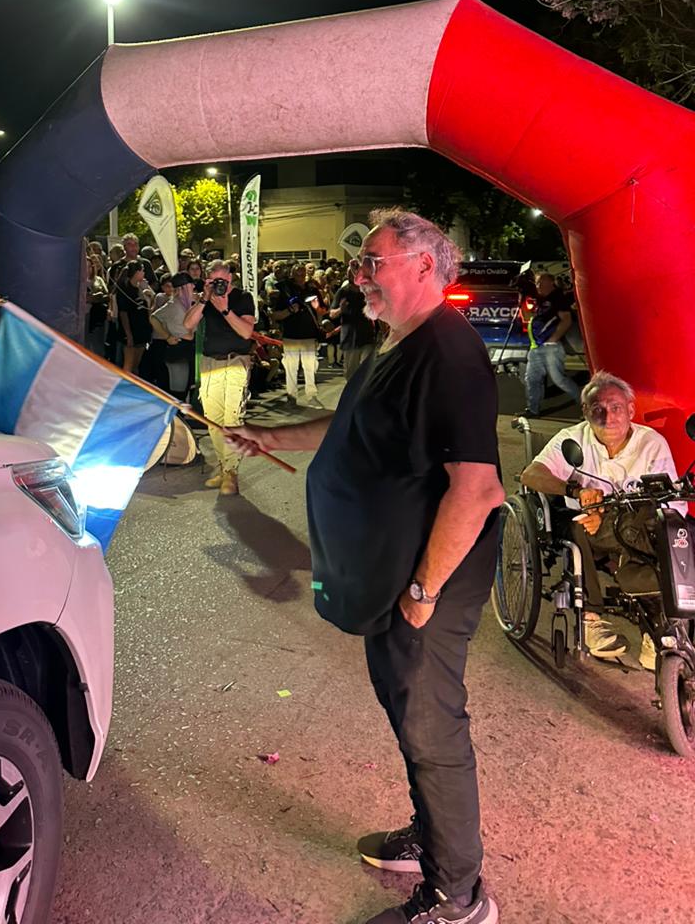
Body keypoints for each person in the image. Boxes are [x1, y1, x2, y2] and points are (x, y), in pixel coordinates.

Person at [227, 209, 503, 924]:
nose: (358, 276)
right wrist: (270, 437)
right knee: (406, 712)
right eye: (360, 264)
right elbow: (349, 426)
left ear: (423, 265)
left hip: (427, 578)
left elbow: (477, 490)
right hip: (393, 574)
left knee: (429, 725)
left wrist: (423, 591)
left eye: (371, 262)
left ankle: (458, 896)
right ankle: (432, 839)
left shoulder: (448, 354)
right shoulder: (396, 343)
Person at [520, 370, 678, 668]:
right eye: (598, 409)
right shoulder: (572, 439)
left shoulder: (651, 443)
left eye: (616, 408)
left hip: (631, 524)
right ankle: (591, 618)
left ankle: (654, 629)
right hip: (586, 522)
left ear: (630, 410)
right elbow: (532, 474)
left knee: (666, 530)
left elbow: (666, 498)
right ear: (585, 411)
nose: (608, 417)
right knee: (579, 526)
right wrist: (575, 490)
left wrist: (612, 515)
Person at [183, 259, 255, 496]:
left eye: (222, 280)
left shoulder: (243, 298)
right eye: (214, 281)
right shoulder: (206, 298)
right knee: (213, 419)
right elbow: (187, 324)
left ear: (230, 278)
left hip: (236, 361)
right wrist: (205, 298)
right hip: (210, 362)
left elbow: (246, 332)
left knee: (232, 417)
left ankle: (231, 473)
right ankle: (225, 469)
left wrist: (225, 308)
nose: (219, 285)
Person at [524, 271, 581, 416]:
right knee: (532, 379)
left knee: (559, 380)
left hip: (550, 348)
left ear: (551, 282)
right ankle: (533, 409)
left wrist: (553, 339)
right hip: (536, 347)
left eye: (541, 282)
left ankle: (585, 405)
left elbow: (566, 320)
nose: (538, 286)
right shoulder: (542, 300)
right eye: (537, 283)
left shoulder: (557, 298)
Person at [272, 262, 324, 409]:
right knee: (291, 368)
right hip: (291, 335)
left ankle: (311, 396)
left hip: (309, 334)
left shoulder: (312, 289)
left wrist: (318, 316)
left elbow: (321, 310)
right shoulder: (285, 290)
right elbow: (275, 315)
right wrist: (289, 311)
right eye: (297, 272)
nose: (300, 275)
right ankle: (292, 397)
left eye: (302, 272)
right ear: (292, 274)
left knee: (310, 368)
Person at [150, 271, 197, 398]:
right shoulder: (173, 304)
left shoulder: (187, 302)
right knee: (178, 392)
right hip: (178, 350)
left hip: (187, 349)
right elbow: (154, 318)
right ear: (182, 287)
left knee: (186, 389)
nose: (193, 287)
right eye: (190, 284)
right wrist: (167, 336)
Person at [330, 264, 378, 379]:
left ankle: (365, 389)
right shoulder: (343, 292)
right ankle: (352, 389)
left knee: (368, 369)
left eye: (354, 272)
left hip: (367, 335)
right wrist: (341, 309)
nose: (352, 275)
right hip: (350, 337)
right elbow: (332, 314)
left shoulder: (367, 289)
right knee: (351, 372)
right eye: (350, 273)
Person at [115, 259, 152, 374]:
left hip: (142, 328)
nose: (144, 273)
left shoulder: (141, 288)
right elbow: (123, 313)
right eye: (142, 270)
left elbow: (149, 307)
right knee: (128, 365)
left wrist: (148, 294)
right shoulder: (125, 289)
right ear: (137, 272)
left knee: (136, 363)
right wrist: (128, 334)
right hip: (131, 328)